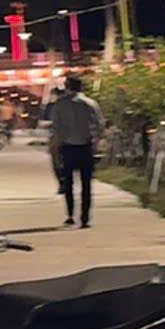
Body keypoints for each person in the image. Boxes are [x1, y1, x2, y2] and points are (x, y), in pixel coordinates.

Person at [49, 74, 103, 227]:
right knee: (86, 185)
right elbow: (100, 126)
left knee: (68, 183)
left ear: (67, 87)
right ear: (82, 87)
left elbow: (56, 129)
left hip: (67, 147)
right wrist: (95, 143)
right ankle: (85, 218)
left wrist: (55, 149)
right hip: (85, 147)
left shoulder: (60, 104)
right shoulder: (91, 104)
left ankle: (70, 215)